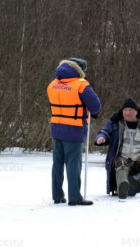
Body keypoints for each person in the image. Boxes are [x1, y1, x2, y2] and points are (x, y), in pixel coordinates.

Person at [47, 58, 101, 206]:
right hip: (74, 130)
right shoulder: (81, 85)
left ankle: (57, 196)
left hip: (56, 128)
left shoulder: (53, 84)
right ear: (80, 70)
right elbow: (96, 106)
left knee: (57, 163)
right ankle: (75, 197)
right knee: (73, 164)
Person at [95, 98, 140, 199]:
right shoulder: (115, 123)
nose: (127, 113)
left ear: (136, 112)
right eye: (125, 110)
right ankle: (122, 186)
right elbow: (104, 131)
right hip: (123, 157)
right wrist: (100, 138)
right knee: (121, 163)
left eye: (130, 110)